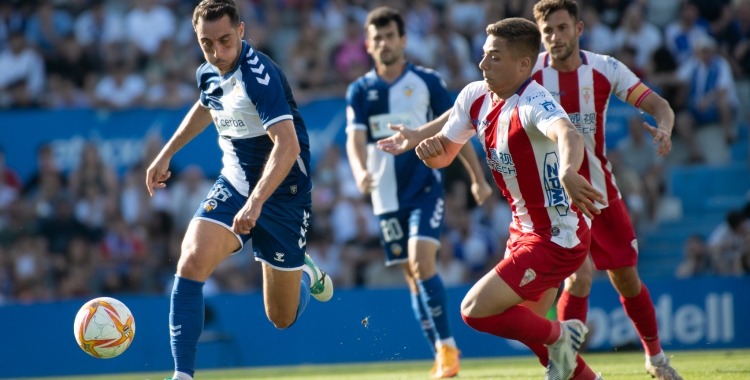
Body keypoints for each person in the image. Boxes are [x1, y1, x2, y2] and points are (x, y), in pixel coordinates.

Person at [144, 1, 333, 380]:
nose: (217, 52)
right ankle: (183, 375)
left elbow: (288, 146)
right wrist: (165, 153)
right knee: (191, 262)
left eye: (225, 40)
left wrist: (257, 202)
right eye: (207, 43)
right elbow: (206, 105)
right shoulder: (208, 71)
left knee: (281, 318)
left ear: (242, 32)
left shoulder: (258, 75)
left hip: (282, 192)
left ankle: (304, 273)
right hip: (233, 182)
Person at [416, 17, 604, 380]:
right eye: (484, 55)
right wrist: (429, 150)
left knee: (474, 310)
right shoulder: (474, 97)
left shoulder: (534, 102)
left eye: (494, 57)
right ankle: (583, 374)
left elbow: (569, 134)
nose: (482, 64)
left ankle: (562, 334)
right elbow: (444, 156)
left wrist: (568, 171)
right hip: (523, 229)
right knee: (532, 331)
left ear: (522, 64)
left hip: (557, 237)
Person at [530, 1, 682, 379]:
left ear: (579, 29)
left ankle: (655, 358)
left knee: (627, 281)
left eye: (562, 28)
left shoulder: (604, 68)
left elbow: (658, 104)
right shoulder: (527, 72)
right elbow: (472, 102)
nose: (555, 37)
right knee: (578, 277)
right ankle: (566, 367)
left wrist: (664, 126)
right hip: (558, 200)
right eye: (547, 31)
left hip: (600, 194)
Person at [345, 7, 492, 379]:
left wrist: (477, 178)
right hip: (385, 197)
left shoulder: (427, 82)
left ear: (403, 40)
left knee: (422, 261)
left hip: (426, 189)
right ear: (368, 44)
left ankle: (447, 347)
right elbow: (355, 138)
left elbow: (460, 130)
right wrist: (361, 171)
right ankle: (442, 354)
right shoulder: (360, 90)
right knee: (413, 275)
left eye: (390, 36)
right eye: (376, 38)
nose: (384, 43)